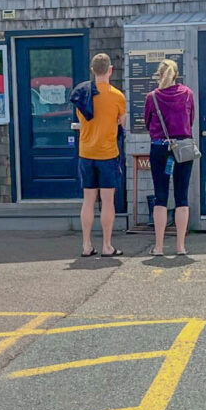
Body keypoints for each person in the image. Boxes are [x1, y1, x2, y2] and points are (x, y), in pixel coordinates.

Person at [73, 53, 126, 258]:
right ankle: (106, 245)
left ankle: (86, 245)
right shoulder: (117, 96)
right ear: (110, 70)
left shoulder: (81, 94)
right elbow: (122, 123)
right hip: (107, 153)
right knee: (107, 200)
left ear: (92, 70)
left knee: (88, 200)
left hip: (86, 152)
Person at [143, 59, 196, 256]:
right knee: (182, 196)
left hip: (160, 148)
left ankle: (158, 246)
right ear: (176, 75)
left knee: (160, 196)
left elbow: (148, 123)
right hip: (182, 148)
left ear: (160, 75)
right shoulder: (187, 94)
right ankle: (180, 246)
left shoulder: (152, 97)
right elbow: (190, 121)